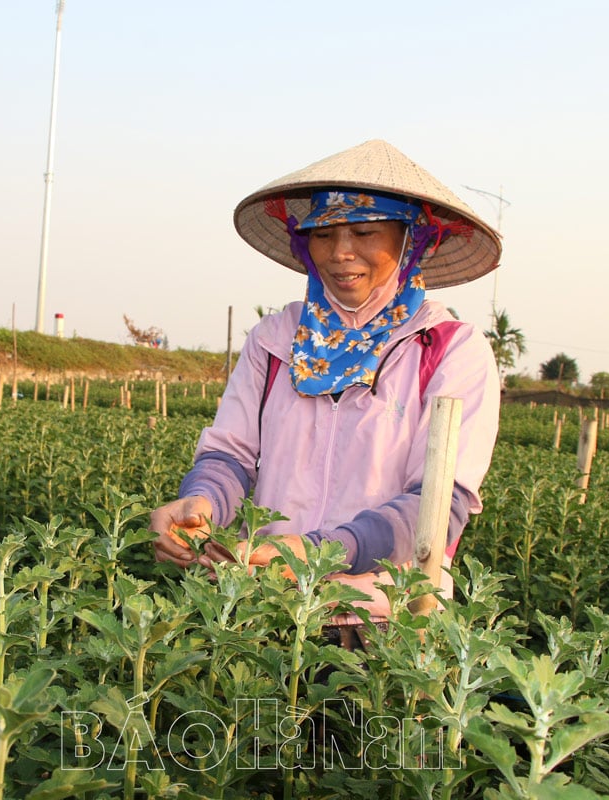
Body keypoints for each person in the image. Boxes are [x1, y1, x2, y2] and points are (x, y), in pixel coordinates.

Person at [151, 139, 502, 634]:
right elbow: (230, 455)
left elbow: (439, 505)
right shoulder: (275, 340)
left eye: (363, 231)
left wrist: (314, 552)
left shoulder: (448, 350)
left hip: (384, 622)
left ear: (410, 239)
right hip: (262, 608)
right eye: (323, 234)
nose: (340, 253)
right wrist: (200, 503)